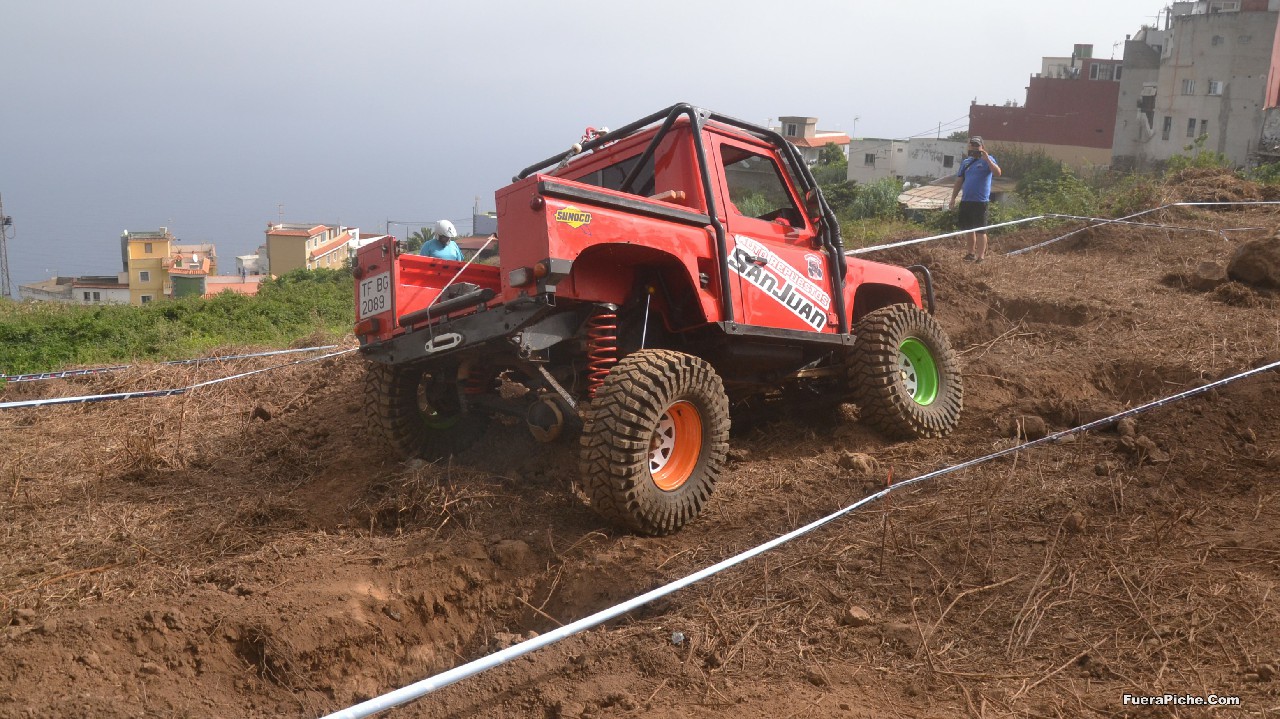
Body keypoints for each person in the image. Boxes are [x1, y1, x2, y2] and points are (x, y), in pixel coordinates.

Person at [949, 136, 1001, 263]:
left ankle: (981, 256)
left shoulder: (988, 160)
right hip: (966, 200)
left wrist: (987, 159)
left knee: (981, 230)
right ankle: (970, 253)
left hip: (980, 202)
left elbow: (997, 173)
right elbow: (959, 180)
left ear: (982, 147)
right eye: (972, 145)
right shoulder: (966, 162)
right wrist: (953, 198)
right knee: (969, 229)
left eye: (977, 145)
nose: (974, 147)